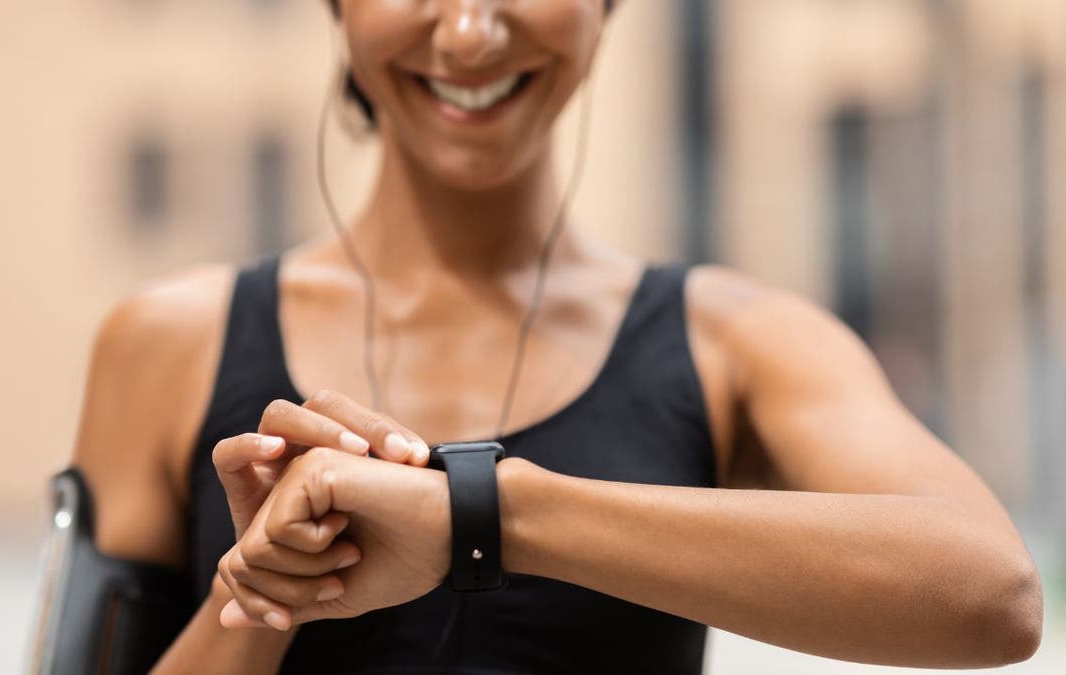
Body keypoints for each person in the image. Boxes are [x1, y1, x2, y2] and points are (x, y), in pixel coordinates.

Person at [59, 1, 1042, 672]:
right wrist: (263, 595)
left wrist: (484, 517)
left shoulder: (737, 343)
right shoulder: (169, 342)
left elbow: (992, 591)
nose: (470, 32)